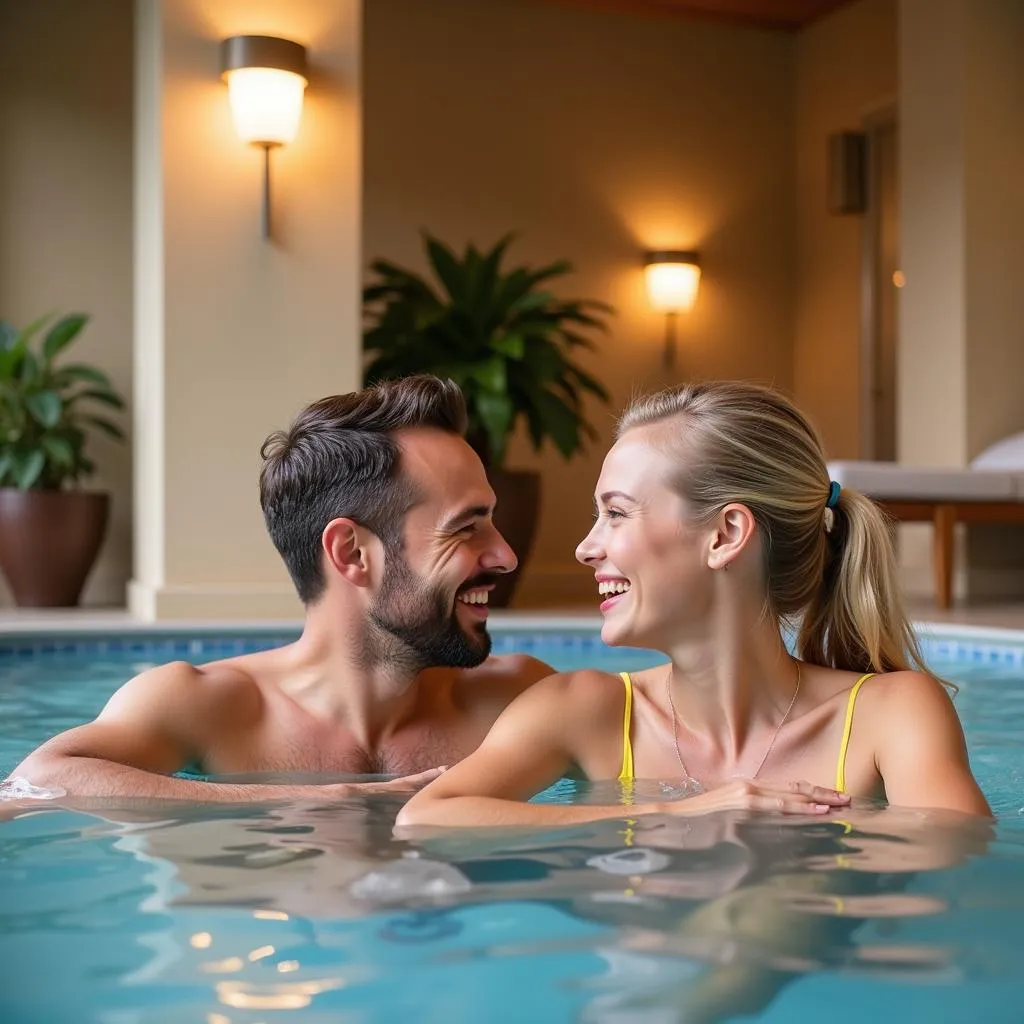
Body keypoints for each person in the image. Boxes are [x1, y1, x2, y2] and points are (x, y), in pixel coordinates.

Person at [399, 380, 992, 829]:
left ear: (726, 534)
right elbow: (428, 819)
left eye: (616, 513)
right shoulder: (586, 708)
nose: (586, 548)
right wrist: (683, 813)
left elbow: (957, 867)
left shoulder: (890, 714)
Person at [8, 376, 552, 801]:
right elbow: (35, 781)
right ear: (353, 553)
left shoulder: (518, 701)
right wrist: (299, 799)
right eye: (465, 527)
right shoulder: (211, 705)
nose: (504, 555)